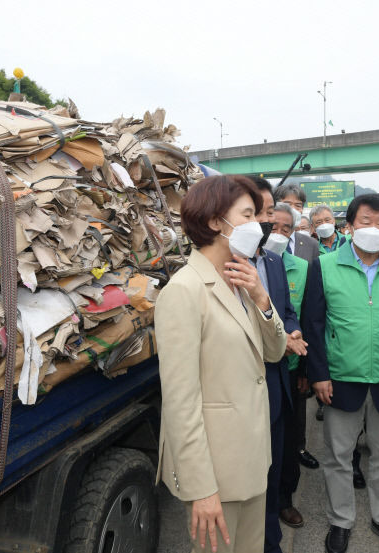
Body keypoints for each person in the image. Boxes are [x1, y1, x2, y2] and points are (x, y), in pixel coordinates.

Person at [155, 175, 288, 553]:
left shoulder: (238, 279)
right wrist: (202, 489)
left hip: (252, 457)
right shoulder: (184, 291)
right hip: (216, 472)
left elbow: (275, 352)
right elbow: (181, 403)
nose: (257, 225)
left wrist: (261, 298)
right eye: (247, 215)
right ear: (216, 222)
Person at [304, 194, 379, 553]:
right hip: (340, 378)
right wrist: (319, 374)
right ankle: (340, 521)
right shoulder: (325, 266)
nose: (374, 229)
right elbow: (313, 324)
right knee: (338, 455)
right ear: (349, 226)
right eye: (366, 221)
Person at [250, 177, 308, 553]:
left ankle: (270, 541)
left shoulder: (272, 262)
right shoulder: (220, 269)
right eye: (261, 212)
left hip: (275, 387)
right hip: (238, 393)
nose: (270, 222)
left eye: (272, 213)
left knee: (271, 477)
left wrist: (294, 332)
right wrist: (277, 338)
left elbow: (286, 312)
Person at [264, 201, 318, 530]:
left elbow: (305, 317)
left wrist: (305, 370)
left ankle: (285, 499)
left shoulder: (300, 266)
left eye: (287, 229)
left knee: (290, 439)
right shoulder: (249, 264)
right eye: (274, 226)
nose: (280, 234)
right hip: (260, 368)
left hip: (292, 368)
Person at [274, 183, 319, 262]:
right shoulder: (264, 240)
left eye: (298, 205)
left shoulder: (312, 244)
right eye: (287, 204)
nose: (292, 209)